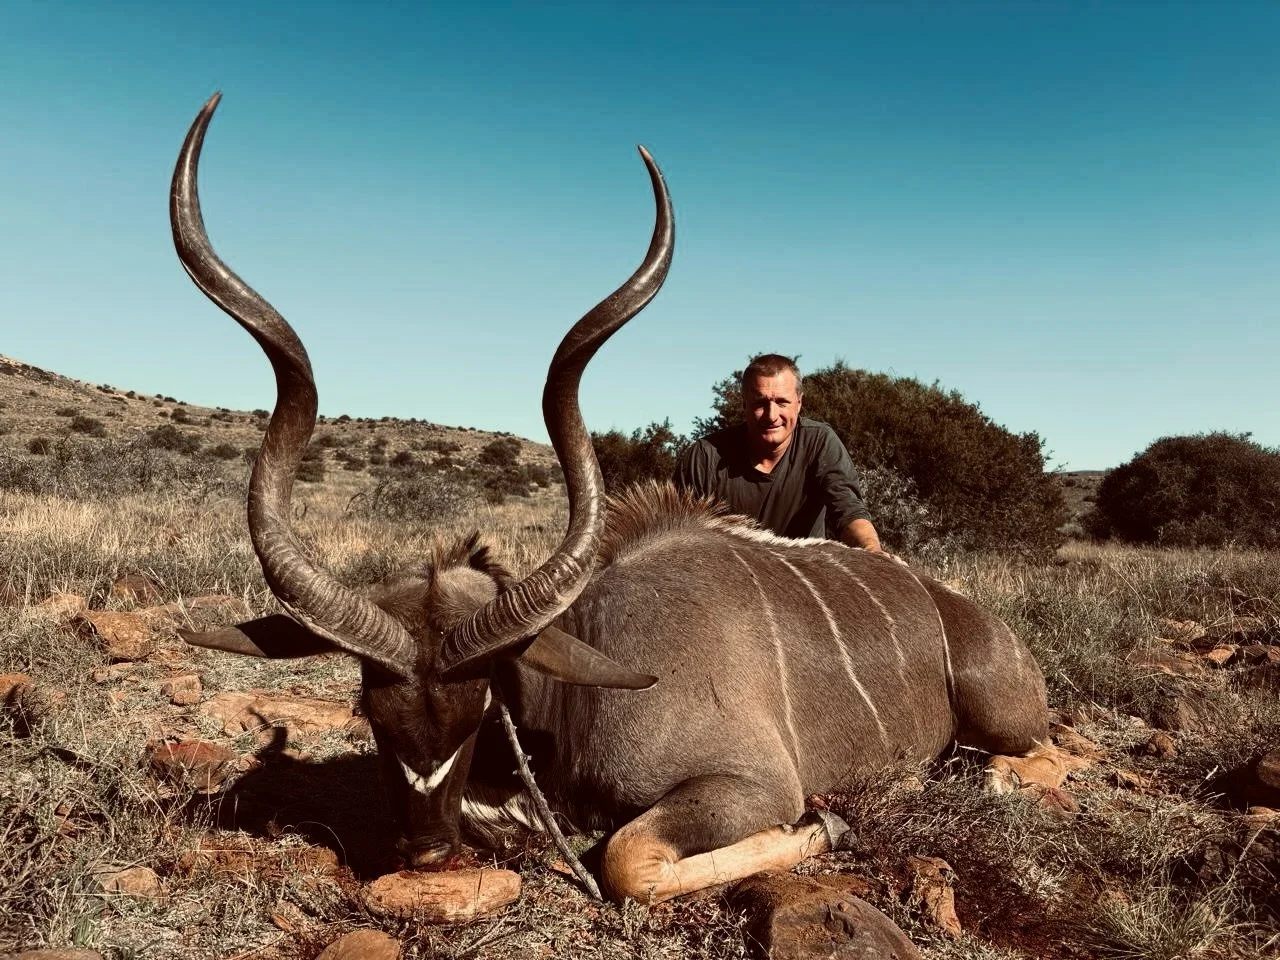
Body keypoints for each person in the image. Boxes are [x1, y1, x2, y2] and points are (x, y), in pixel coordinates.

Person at [673, 354, 886, 552]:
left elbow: (848, 511)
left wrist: (872, 550)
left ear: (799, 403)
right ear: (744, 404)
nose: (771, 415)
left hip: (802, 576)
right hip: (728, 579)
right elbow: (679, 536)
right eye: (760, 403)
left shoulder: (819, 442)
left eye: (782, 402)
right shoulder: (705, 456)